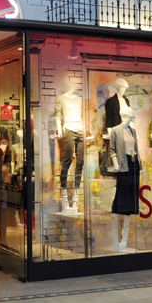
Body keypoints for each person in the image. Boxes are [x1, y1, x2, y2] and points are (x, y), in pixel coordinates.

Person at [109, 106, 140, 251]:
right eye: (130, 116)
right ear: (125, 116)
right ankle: (115, 235)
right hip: (123, 165)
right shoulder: (115, 130)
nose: (132, 119)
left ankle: (125, 237)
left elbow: (136, 149)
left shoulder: (133, 131)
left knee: (131, 200)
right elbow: (112, 150)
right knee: (120, 198)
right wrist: (117, 166)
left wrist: (139, 165)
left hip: (133, 165)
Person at [55, 76, 84, 213]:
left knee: (81, 162)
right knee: (67, 161)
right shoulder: (61, 98)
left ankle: (76, 196)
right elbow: (58, 115)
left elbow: (82, 115)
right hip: (68, 128)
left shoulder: (79, 99)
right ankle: (65, 196)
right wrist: (60, 131)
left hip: (80, 129)